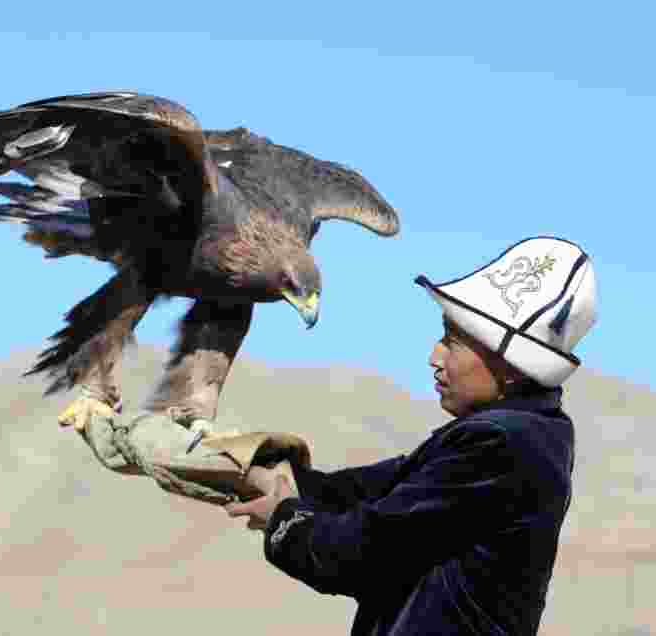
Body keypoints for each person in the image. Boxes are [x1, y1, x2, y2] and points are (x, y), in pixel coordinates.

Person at [225, 236, 598, 636]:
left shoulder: (501, 446)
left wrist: (284, 518)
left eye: (452, 341)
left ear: (509, 363)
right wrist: (283, 478)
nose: (435, 356)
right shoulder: (523, 435)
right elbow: (376, 489)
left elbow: (366, 551)